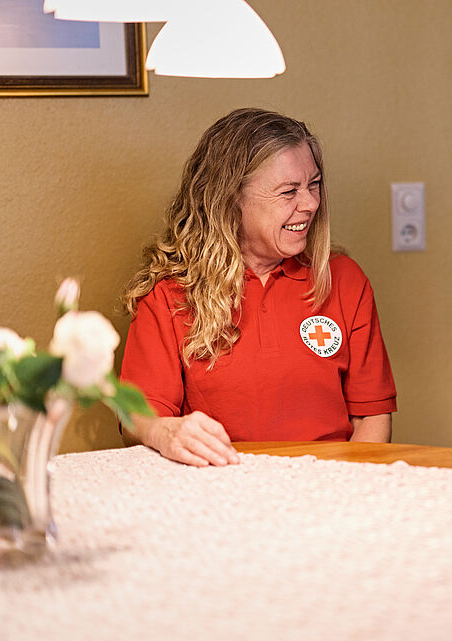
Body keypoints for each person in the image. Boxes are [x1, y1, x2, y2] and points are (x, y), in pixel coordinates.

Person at [120, 108, 396, 467]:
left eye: (314, 184)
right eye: (289, 191)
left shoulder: (344, 279)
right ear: (231, 198)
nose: (311, 203)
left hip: (330, 490)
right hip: (221, 489)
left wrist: (348, 488)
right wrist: (165, 432)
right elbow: (137, 417)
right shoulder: (169, 293)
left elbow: (371, 417)